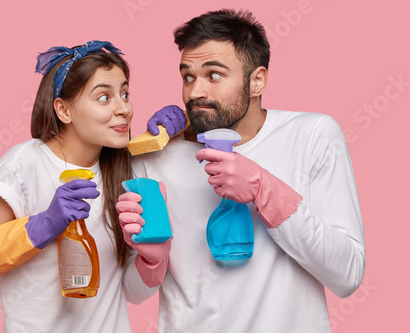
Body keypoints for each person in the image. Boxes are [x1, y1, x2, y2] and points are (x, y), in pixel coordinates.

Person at [117, 9, 366, 332]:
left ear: (257, 80)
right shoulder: (157, 156)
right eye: (188, 76)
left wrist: (267, 191)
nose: (195, 92)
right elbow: (132, 294)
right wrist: (150, 261)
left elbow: (347, 276)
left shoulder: (312, 136)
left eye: (214, 75)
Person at [0, 41, 168, 332]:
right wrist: (42, 225)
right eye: (104, 97)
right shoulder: (25, 164)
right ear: (64, 110)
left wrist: (153, 260)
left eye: (125, 94)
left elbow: (131, 293)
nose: (124, 108)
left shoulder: (124, 173)